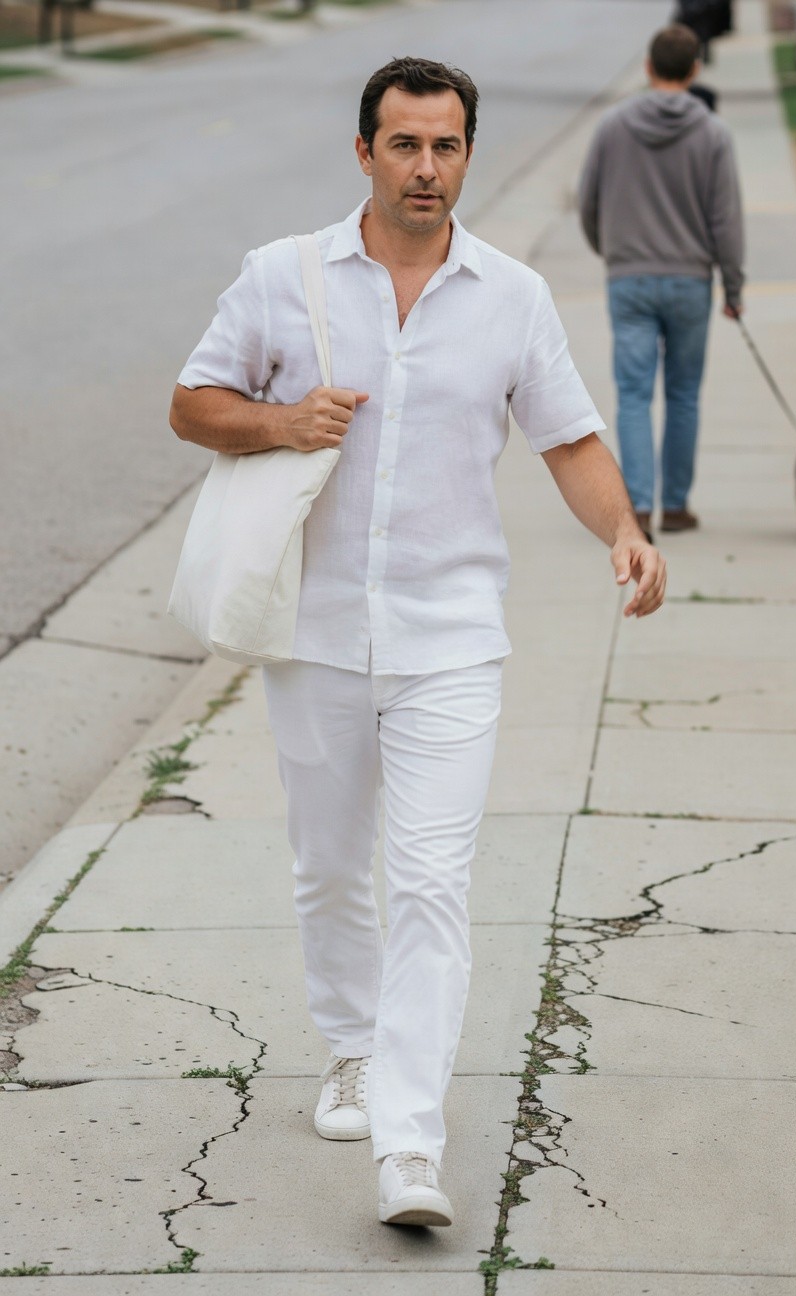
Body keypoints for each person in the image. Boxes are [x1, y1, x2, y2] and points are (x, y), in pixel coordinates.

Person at [169, 56, 666, 1230]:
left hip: (453, 636)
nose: (426, 168)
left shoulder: (511, 296)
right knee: (333, 865)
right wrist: (281, 421)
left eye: (445, 147)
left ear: (467, 157)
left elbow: (569, 440)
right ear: (364, 153)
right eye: (405, 145)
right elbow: (193, 401)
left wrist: (627, 530)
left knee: (435, 883)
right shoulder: (282, 279)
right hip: (320, 632)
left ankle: (409, 1143)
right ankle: (348, 1045)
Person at [577, 24, 744, 541]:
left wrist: (614, 251)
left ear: (648, 67)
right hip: (691, 281)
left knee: (632, 393)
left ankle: (639, 507)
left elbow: (588, 203)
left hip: (629, 279)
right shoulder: (713, 134)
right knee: (684, 393)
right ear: (695, 70)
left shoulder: (612, 126)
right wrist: (733, 287)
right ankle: (675, 504)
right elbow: (727, 221)